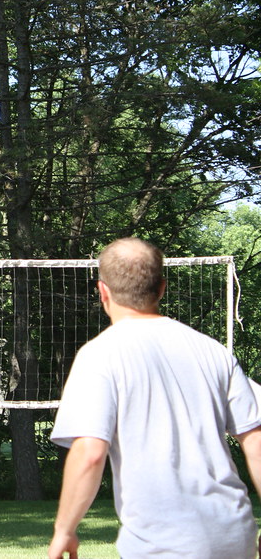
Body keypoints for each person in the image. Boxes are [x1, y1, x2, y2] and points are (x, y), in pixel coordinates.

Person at [48, 238, 261, 559]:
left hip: (162, 540)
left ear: (102, 291)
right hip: (234, 533)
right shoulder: (214, 351)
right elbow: (256, 441)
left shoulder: (99, 355)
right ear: (161, 288)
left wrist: (64, 530)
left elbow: (90, 453)